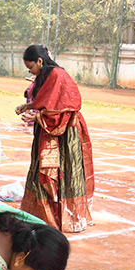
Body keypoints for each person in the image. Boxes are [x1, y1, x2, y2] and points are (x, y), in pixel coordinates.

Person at [15, 45, 95, 233]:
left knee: (64, 172)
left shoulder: (58, 75)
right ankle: (44, 215)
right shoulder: (46, 76)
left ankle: (65, 217)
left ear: (40, 61)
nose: (30, 71)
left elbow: (66, 106)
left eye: (30, 67)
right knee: (40, 172)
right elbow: (47, 101)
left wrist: (38, 117)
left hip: (65, 131)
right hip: (47, 129)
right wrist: (28, 107)